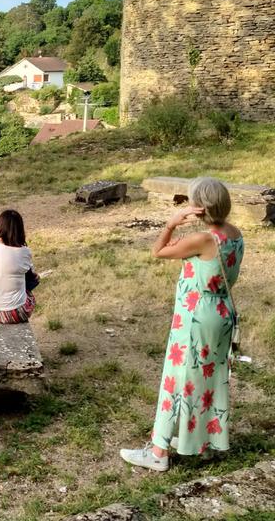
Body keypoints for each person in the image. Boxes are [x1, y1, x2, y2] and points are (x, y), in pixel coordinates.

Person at [120, 177, 244, 472]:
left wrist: (171, 224)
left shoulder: (202, 239)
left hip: (196, 317)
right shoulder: (234, 234)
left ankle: (159, 452)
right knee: (210, 380)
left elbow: (158, 251)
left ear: (200, 207)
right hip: (222, 312)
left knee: (175, 380)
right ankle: (205, 442)